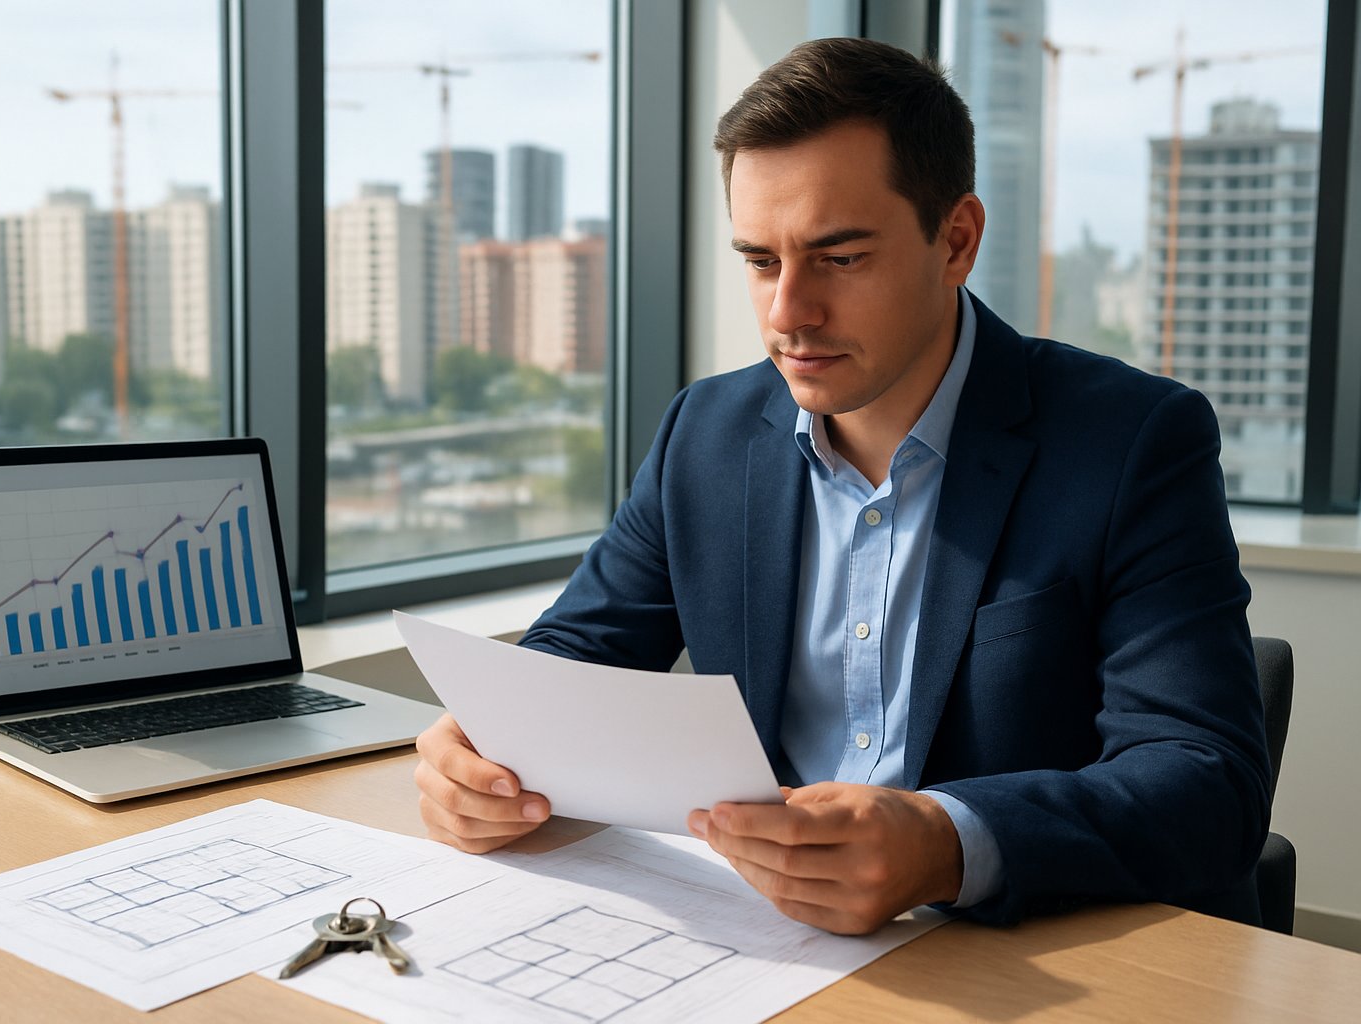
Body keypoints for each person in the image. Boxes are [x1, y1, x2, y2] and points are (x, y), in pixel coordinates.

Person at [412, 36, 1270, 934]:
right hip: (768, 942)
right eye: (760, 261)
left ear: (957, 241)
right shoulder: (702, 436)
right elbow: (573, 658)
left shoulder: (1133, 441)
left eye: (840, 257)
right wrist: (481, 751)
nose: (788, 313)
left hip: (1016, 952)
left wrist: (946, 842)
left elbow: (1205, 779)